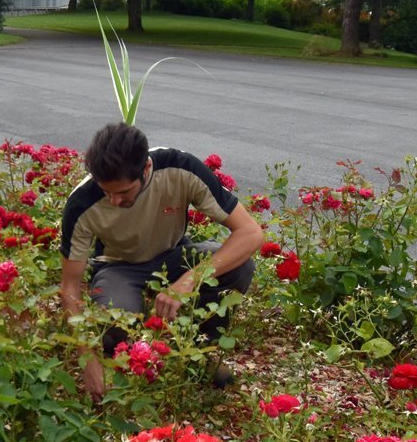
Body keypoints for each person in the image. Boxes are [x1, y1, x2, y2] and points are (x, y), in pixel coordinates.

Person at [59, 122, 264, 399]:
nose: (114, 201)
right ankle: (117, 356)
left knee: (240, 266)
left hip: (173, 255)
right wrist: (89, 361)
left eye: (123, 192)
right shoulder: (82, 202)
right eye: (106, 192)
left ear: (145, 170)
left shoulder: (181, 168)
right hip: (118, 267)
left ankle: (204, 349)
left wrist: (190, 279)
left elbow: (250, 233)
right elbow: (70, 287)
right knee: (114, 319)